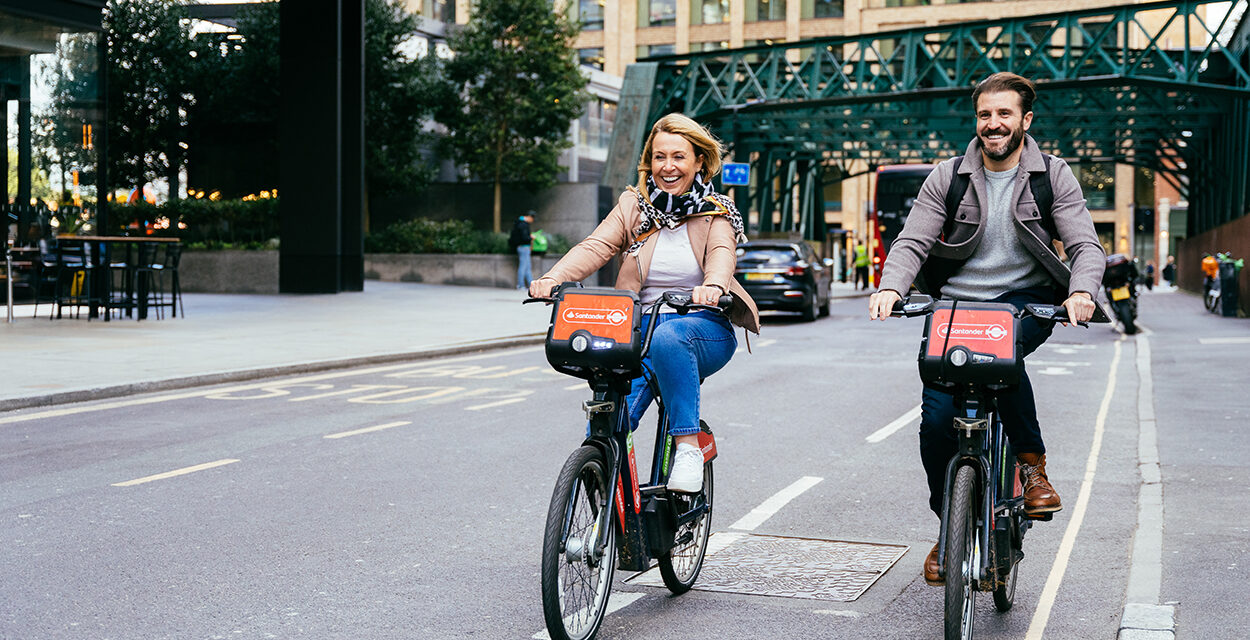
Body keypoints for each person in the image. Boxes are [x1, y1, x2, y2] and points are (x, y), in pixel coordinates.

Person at [867, 72, 1104, 586]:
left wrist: (1081, 291)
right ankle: (949, 525)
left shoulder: (1053, 174)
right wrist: (891, 287)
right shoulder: (949, 175)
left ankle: (1033, 468)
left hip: (1026, 300)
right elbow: (912, 240)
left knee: (1004, 353)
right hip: (955, 305)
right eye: (984, 115)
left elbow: (1085, 244)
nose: (992, 125)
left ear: (1025, 120)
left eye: (1004, 114)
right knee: (935, 425)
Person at [529, 113, 760, 493]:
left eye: (679, 157)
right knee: (606, 425)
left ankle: (687, 447)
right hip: (638, 329)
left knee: (672, 339)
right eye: (659, 157)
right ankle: (617, 521)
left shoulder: (717, 210)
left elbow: (721, 254)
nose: (668, 167)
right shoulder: (634, 206)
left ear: (699, 161)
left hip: (702, 327)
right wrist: (556, 277)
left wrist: (713, 286)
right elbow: (598, 245)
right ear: (649, 161)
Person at [509, 211, 535, 290]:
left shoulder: (519, 223)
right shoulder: (523, 225)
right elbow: (524, 237)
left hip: (522, 247)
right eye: (532, 219)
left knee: (527, 267)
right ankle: (520, 285)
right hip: (524, 247)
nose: (532, 221)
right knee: (524, 266)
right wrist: (531, 238)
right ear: (530, 217)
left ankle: (531, 285)